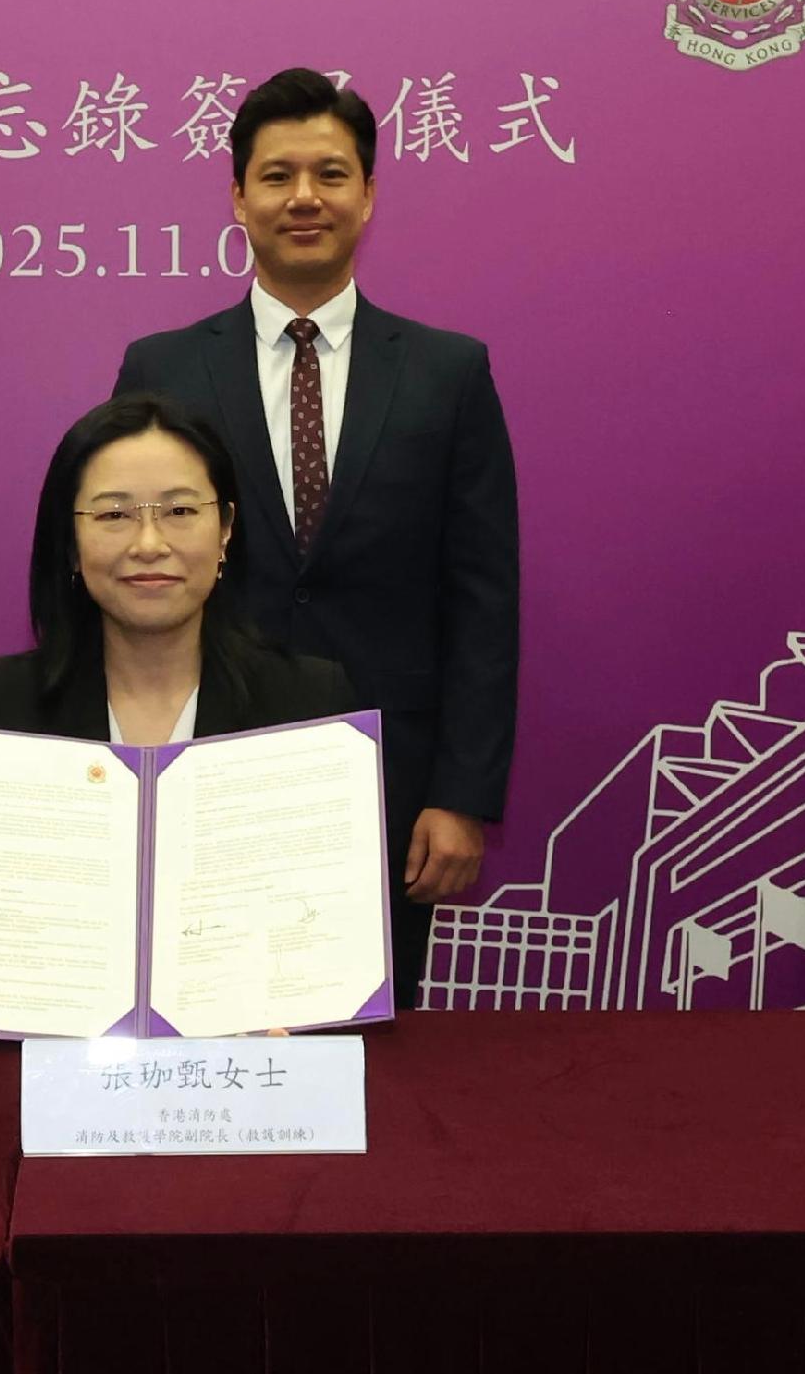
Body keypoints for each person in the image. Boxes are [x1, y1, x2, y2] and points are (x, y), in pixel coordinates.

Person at [111, 68, 518, 1004]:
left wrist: (461, 794)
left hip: (386, 782)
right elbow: (126, 570)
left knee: (370, 1044)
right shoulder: (162, 368)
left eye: (331, 174)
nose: (304, 197)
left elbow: (483, 596)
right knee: (194, 1015)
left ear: (367, 194)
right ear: (237, 197)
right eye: (277, 175)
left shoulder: (448, 373)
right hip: (199, 763)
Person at [0, 394, 358, 1048]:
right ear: (72, 543)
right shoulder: (5, 703)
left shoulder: (309, 704)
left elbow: (333, 942)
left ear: (225, 528)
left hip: (250, 1080)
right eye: (113, 514)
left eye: (180, 511)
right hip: (62, 1085)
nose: (149, 543)